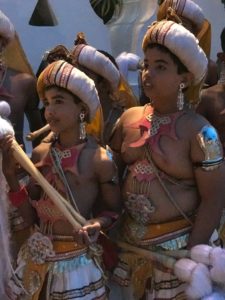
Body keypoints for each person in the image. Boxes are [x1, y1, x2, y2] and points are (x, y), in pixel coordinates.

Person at [108, 20, 225, 300]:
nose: (148, 73)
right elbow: (109, 178)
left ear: (183, 77)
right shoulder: (128, 119)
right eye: (146, 64)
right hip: (131, 249)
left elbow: (214, 199)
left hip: (180, 254)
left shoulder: (201, 132)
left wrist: (192, 259)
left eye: (161, 66)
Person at [1, 59, 121, 299]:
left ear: (82, 109)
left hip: (77, 266)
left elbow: (114, 210)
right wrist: (10, 175)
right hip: (36, 262)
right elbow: (30, 218)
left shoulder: (99, 159)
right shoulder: (40, 154)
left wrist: (97, 224)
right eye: (46, 103)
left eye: (58, 101)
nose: (49, 111)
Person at [69, 38, 138, 144]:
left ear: (104, 85)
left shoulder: (125, 123)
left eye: (84, 78)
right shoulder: (78, 120)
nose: (77, 84)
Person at [157, 0, 218, 96]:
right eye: (171, 23)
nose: (175, 28)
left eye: (182, 24)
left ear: (194, 32)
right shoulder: (152, 63)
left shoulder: (209, 68)